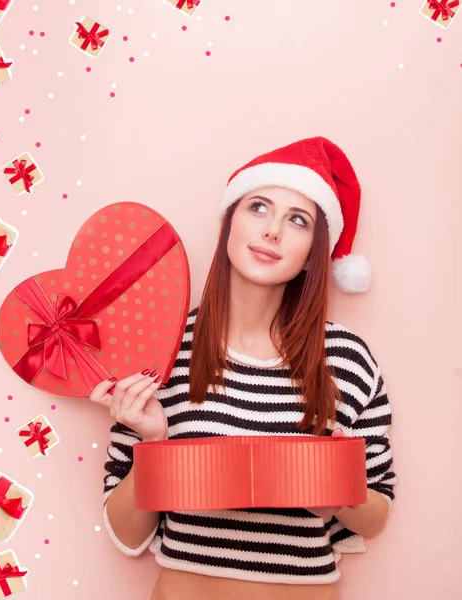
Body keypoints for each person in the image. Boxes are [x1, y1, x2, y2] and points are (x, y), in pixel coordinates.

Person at [89, 136, 397, 600]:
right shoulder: (164, 349)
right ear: (229, 220)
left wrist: (325, 485)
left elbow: (376, 517)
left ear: (315, 248)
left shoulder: (347, 359)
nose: (272, 230)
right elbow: (125, 536)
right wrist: (154, 443)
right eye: (258, 207)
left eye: (298, 220)